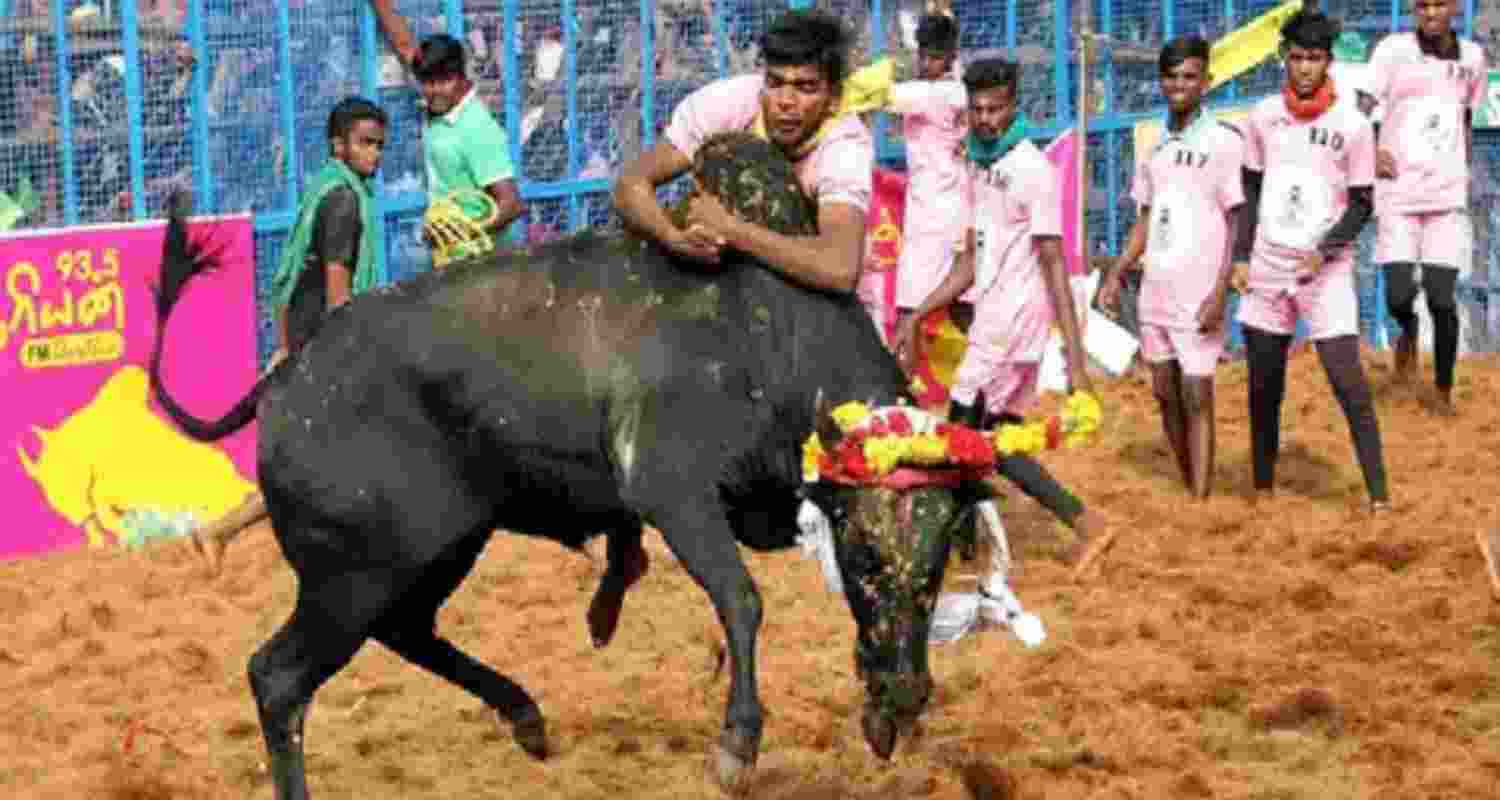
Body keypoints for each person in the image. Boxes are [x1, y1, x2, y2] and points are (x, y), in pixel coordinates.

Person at [893, 58, 1112, 576]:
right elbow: (972, 261)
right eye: (978, 109)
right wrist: (921, 311)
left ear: (1015, 105)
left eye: (997, 108)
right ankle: (1078, 525)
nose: (987, 118)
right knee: (989, 443)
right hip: (991, 316)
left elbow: (1056, 263)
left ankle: (955, 550)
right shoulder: (978, 164)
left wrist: (1075, 359)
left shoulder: (1032, 169)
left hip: (1011, 327)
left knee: (961, 437)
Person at [190, 97, 391, 573]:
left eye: (380, 145)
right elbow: (337, 288)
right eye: (365, 144)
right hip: (328, 342)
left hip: (307, 339)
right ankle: (222, 528)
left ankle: (220, 529)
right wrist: (344, 353)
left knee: (326, 458)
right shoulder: (343, 201)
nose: (375, 155)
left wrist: (284, 344)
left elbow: (288, 278)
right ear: (337, 146)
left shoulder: (324, 191)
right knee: (339, 455)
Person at [1234, 9, 1390, 512]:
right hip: (1267, 263)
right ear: (1284, 59)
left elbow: (1364, 202)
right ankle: (1262, 488)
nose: (1304, 68)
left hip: (1326, 271)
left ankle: (1379, 497)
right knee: (1263, 382)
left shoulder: (1354, 125)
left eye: (1315, 58)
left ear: (1329, 62)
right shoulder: (1261, 117)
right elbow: (1251, 188)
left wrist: (1322, 250)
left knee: (1348, 380)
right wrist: (1241, 256)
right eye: (1297, 57)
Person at [612, 8, 871, 294]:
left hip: (800, 290)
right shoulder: (725, 104)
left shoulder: (844, 145)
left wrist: (729, 228)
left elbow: (840, 268)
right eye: (775, 83)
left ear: (834, 98)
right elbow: (630, 183)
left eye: (805, 87)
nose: (786, 101)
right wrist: (672, 237)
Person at [1097, 36, 1244, 499]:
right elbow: (1145, 215)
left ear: (1206, 82)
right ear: (1161, 82)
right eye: (1172, 77)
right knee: (1164, 391)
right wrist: (1119, 269)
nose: (1180, 85)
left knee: (1198, 392)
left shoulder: (1223, 142)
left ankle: (1200, 501)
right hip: (1155, 290)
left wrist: (1222, 290)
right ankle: (1188, 484)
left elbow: (1237, 217)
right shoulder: (1154, 146)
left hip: (1199, 291)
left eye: (1190, 77)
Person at [1366, 0, 1486, 414]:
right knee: (1399, 296)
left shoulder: (1473, 57)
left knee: (1441, 297)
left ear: (1453, 8)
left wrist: (1462, 168)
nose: (1430, 12)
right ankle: (1408, 332)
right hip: (1397, 192)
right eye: (1422, 5)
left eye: (1439, 4)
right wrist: (1370, 147)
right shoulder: (1392, 50)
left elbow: (1466, 115)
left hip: (1445, 194)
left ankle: (1443, 389)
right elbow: (1362, 107)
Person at [879, 13, 969, 340]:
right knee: (962, 301)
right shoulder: (962, 92)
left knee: (909, 307)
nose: (926, 62)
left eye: (933, 57)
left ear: (948, 58)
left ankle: (905, 383)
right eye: (924, 55)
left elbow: (881, 96)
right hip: (961, 206)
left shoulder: (927, 95)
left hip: (931, 212)